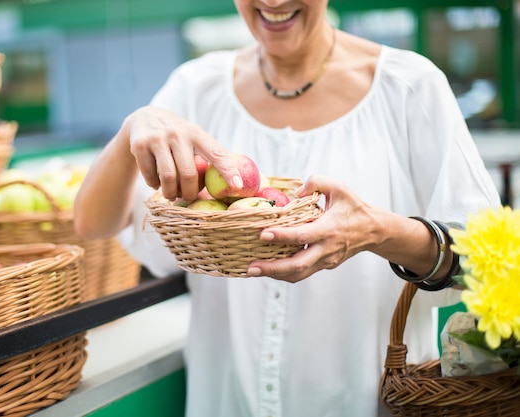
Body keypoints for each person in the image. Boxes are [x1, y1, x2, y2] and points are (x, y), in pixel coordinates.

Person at [74, 1, 501, 416]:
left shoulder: (408, 84)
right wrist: (132, 128)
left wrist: (378, 232)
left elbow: (486, 267)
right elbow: (92, 223)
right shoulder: (195, 88)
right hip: (228, 397)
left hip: (368, 399)